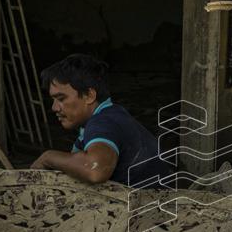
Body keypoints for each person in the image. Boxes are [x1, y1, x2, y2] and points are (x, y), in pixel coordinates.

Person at [31, 54, 166, 187]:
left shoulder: (103, 122)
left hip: (149, 205)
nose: (54, 107)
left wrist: (48, 158)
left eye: (61, 99)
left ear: (89, 95)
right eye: (53, 100)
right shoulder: (111, 115)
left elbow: (95, 170)